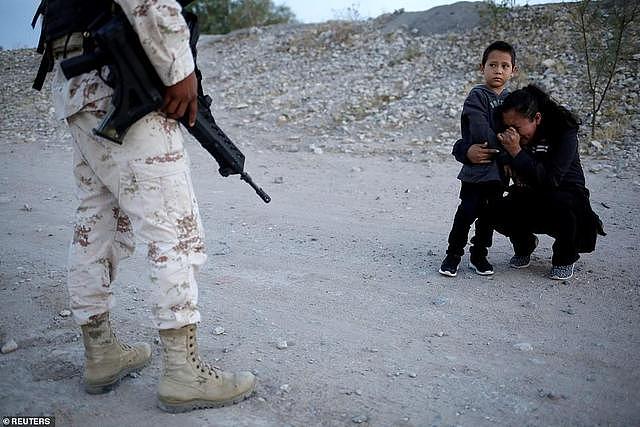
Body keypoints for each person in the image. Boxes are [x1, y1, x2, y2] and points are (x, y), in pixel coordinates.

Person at [32, 0, 256, 413]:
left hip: (78, 81)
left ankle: (101, 353)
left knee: (98, 220)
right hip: (117, 74)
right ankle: (183, 372)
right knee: (173, 225)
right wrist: (179, 68)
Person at [492, 84, 605, 280]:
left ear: (537, 118)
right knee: (492, 207)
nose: (513, 135)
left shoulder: (563, 132)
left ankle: (565, 257)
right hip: (530, 196)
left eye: (517, 128)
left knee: (562, 203)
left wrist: (516, 153)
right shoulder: (510, 133)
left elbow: (551, 180)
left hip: (566, 198)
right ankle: (524, 245)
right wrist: (504, 157)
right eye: (508, 128)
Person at [439, 41, 517, 277]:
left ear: (514, 71)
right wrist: (506, 148)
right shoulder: (477, 96)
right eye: (493, 65)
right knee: (467, 212)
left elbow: (517, 132)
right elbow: (481, 130)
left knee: (488, 217)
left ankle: (479, 255)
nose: (498, 70)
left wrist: (513, 153)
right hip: (477, 170)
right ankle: (453, 255)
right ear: (482, 67)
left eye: (505, 66)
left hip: (499, 174)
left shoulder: (513, 100)